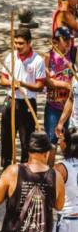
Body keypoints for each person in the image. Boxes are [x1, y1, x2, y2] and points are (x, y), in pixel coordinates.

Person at [0, 132, 65, 232]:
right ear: (47, 153)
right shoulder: (57, 176)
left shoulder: (12, 171)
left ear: (29, 151)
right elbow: (59, 206)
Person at [0, 28, 45, 169]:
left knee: (26, 140)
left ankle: (25, 170)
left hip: (27, 103)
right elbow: (3, 79)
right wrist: (11, 84)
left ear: (29, 43)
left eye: (21, 43)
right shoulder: (11, 57)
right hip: (11, 100)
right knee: (7, 137)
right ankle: (5, 168)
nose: (17, 46)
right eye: (15, 43)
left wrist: (23, 84)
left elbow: (39, 85)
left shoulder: (37, 60)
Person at [44, 27, 74, 166]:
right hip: (53, 106)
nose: (68, 42)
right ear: (55, 41)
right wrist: (65, 85)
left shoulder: (73, 54)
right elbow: (47, 81)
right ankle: (48, 174)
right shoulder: (48, 56)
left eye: (69, 39)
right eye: (65, 39)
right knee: (51, 142)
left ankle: (71, 171)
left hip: (71, 107)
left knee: (70, 141)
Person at [53, 133, 78, 232]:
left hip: (67, 221)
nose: (59, 143)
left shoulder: (61, 168)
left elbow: (51, 196)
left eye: (62, 141)